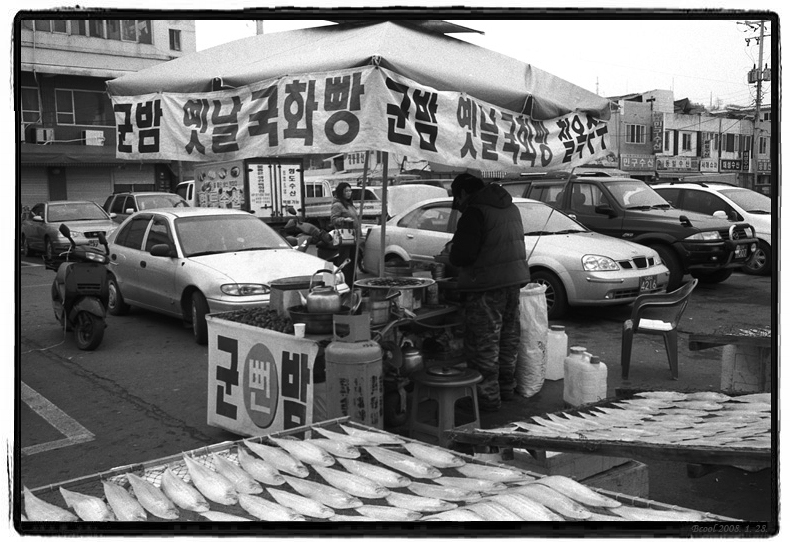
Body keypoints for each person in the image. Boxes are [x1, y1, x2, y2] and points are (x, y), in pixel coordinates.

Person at [439, 172, 530, 412]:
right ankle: (506, 389)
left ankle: (486, 400)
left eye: (457, 197)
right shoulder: (510, 207)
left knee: (484, 343)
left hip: (487, 286)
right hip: (513, 281)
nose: (457, 203)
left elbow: (463, 255)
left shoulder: (475, 211)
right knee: (508, 337)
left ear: (463, 193)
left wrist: (451, 254)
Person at [330, 182, 361, 287]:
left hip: (353, 236)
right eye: (346, 191)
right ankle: (345, 283)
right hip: (344, 236)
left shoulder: (349, 204)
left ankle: (353, 283)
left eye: (350, 190)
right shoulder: (337, 205)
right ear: (341, 192)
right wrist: (344, 220)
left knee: (353, 261)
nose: (349, 193)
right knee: (345, 261)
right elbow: (333, 220)